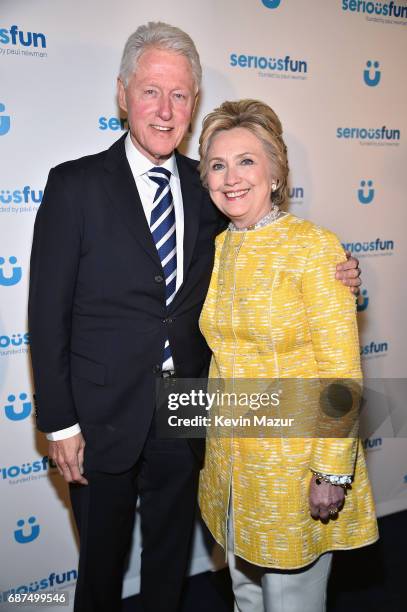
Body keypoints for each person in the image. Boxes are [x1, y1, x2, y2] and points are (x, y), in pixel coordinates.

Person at [28, 22, 362, 612]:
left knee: (168, 568)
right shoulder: (74, 185)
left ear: (194, 103)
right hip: (99, 421)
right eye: (151, 91)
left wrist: (342, 275)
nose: (164, 109)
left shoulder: (208, 187)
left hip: (189, 416)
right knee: (99, 573)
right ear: (123, 93)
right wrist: (59, 424)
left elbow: (271, 251)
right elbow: (47, 314)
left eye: (180, 95)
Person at [197, 99, 378, 612]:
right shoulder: (216, 248)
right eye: (217, 164)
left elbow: (341, 371)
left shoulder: (315, 248)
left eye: (247, 161)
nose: (231, 177)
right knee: (244, 595)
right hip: (232, 467)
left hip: (295, 468)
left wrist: (331, 471)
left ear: (275, 174)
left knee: (291, 602)